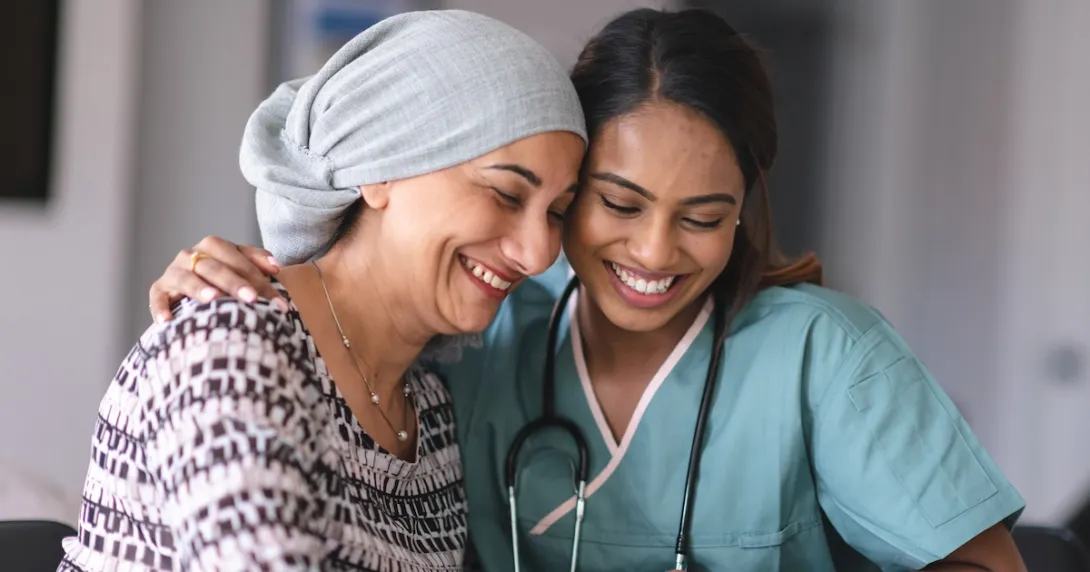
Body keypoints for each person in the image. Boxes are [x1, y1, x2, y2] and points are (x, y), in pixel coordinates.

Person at [143, 8, 1028, 572]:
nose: (654, 250)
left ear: (744, 214)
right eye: (615, 202)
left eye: (704, 216)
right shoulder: (478, 341)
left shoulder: (823, 355)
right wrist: (243, 294)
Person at [60, 10, 586, 571]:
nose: (537, 253)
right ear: (382, 169)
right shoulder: (230, 346)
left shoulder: (429, 408)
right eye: (506, 194)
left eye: (556, 212)